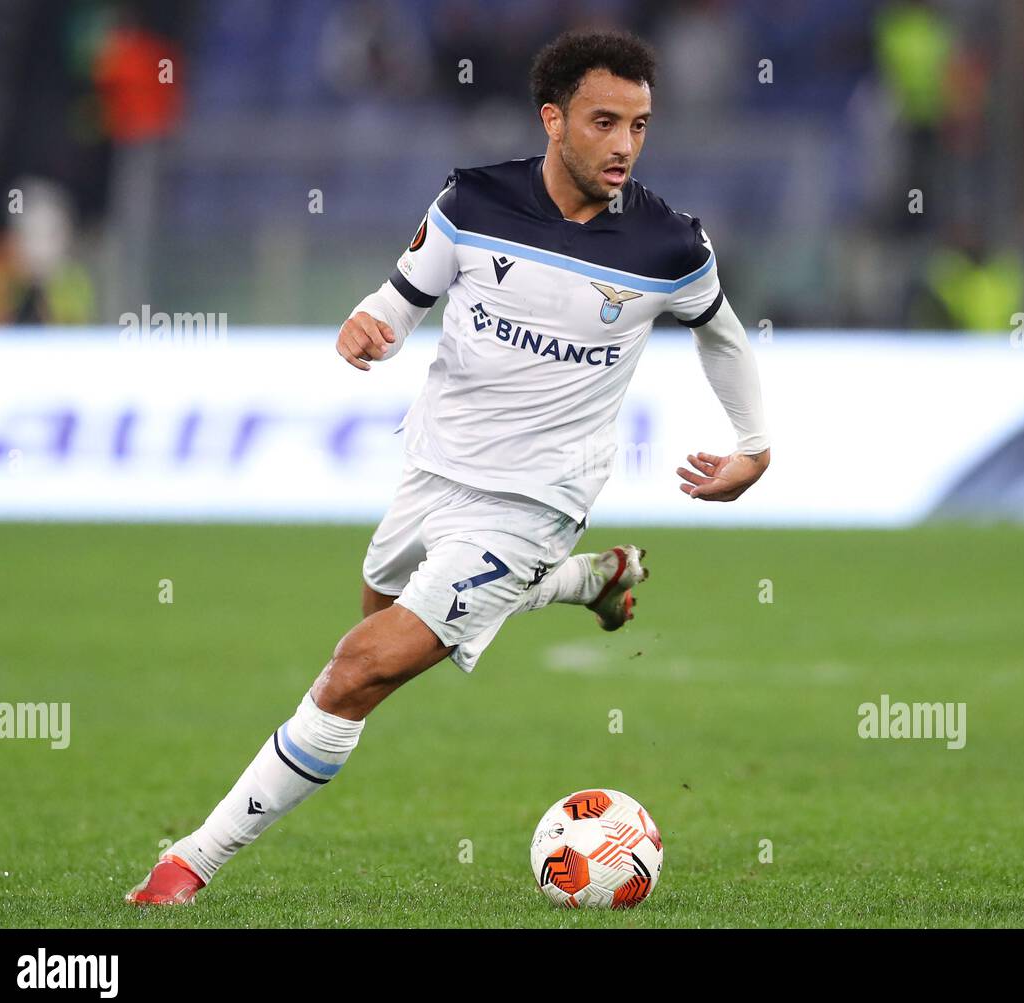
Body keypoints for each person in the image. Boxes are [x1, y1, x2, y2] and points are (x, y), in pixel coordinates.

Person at [128, 28, 769, 906]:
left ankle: (188, 862)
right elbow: (400, 298)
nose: (625, 145)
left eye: (641, 126)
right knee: (375, 622)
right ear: (554, 118)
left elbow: (723, 336)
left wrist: (754, 445)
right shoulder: (472, 201)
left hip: (538, 497)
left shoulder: (667, 244)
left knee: (357, 670)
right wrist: (372, 325)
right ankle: (588, 581)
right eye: (604, 121)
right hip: (434, 469)